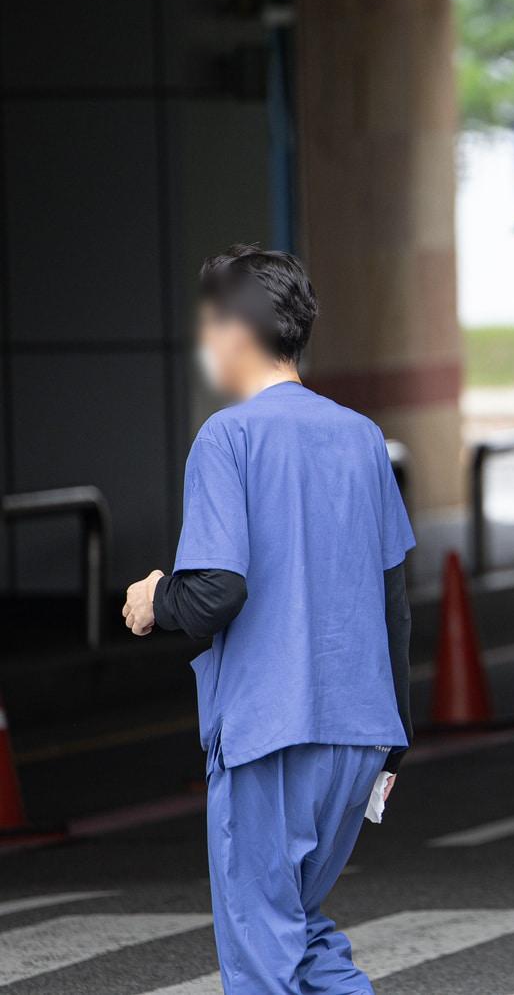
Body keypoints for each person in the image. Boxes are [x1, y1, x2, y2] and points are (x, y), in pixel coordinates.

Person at [120, 244, 414, 995]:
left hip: (269, 733)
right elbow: (394, 599)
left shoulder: (229, 437)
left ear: (235, 332)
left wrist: (158, 597)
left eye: (209, 326)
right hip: (359, 731)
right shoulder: (360, 437)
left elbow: (217, 591)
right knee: (300, 930)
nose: (206, 344)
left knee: (258, 952)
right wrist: (393, 743)